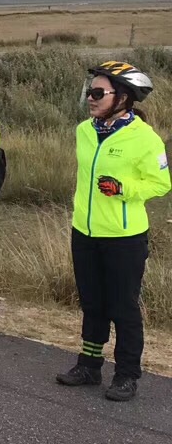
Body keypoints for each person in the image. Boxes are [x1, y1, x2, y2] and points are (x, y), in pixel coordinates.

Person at [56, 61, 170, 402]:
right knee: (92, 303)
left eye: (97, 93)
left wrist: (124, 188)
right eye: (88, 92)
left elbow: (161, 183)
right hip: (85, 232)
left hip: (124, 237)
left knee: (123, 307)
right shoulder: (84, 131)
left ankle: (126, 375)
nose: (90, 98)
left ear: (122, 97)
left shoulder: (145, 138)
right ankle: (89, 366)